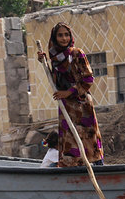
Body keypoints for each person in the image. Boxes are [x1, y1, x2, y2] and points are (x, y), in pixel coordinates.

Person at [37, 22, 104, 167]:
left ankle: (98, 167)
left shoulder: (76, 53)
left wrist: (68, 92)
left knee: (88, 138)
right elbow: (57, 80)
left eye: (66, 35)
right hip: (66, 106)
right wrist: (44, 62)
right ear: (54, 38)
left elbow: (88, 79)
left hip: (81, 104)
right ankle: (74, 170)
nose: (64, 38)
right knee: (69, 139)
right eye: (60, 35)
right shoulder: (54, 58)